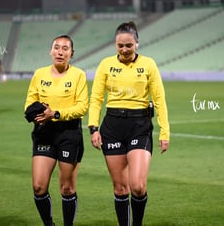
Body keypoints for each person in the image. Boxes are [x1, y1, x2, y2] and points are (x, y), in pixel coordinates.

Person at [88, 21, 170, 226]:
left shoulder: (148, 64)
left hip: (140, 126)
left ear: (137, 44)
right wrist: (93, 128)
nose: (124, 50)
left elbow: (159, 99)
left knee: (138, 186)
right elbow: (96, 98)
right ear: (115, 45)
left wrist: (164, 131)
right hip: (112, 127)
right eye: (120, 46)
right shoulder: (106, 64)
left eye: (129, 45)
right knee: (120, 188)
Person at [24, 34, 88, 226]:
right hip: (44, 132)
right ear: (51, 51)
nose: (60, 52)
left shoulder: (78, 75)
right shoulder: (39, 74)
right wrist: (35, 113)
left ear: (71, 53)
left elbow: (82, 107)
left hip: (69, 133)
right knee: (38, 187)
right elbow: (29, 102)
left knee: (67, 188)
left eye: (65, 48)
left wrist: (56, 113)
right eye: (57, 47)